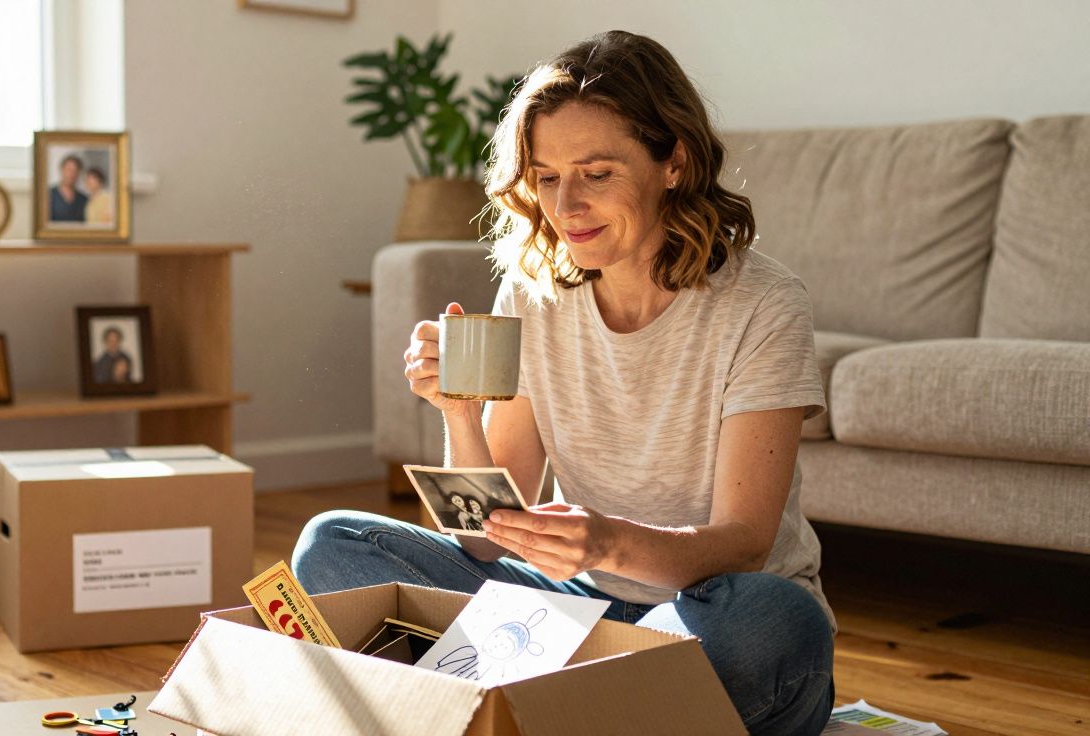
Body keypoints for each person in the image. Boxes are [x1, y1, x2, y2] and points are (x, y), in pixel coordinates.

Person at [292, 30, 834, 734]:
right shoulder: (535, 292)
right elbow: (486, 542)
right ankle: (582, 706)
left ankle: (523, 700)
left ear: (674, 161)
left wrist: (607, 544)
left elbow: (744, 543)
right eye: (546, 178)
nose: (566, 205)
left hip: (707, 612)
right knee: (334, 545)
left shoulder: (764, 303)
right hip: (577, 611)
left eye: (596, 174)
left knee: (774, 621)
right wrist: (458, 413)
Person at [49, 154, 88, 222]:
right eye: (68, 169)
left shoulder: (84, 200)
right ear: (62, 170)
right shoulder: (48, 195)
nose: (71, 174)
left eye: (75, 171)